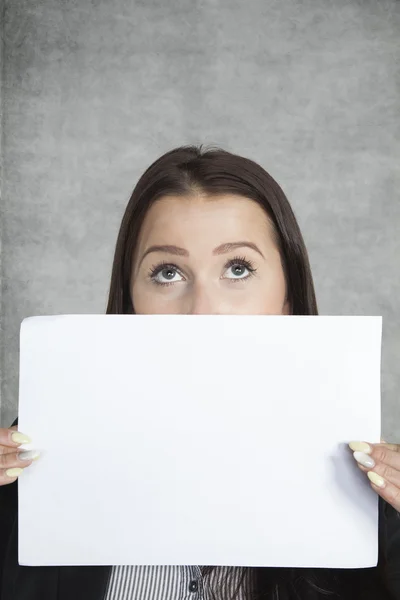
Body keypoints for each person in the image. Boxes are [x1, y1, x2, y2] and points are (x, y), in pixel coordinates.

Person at [0, 145, 399, 600]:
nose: (202, 311)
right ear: (130, 302)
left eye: (237, 268)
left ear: (287, 299)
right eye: (168, 272)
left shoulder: (371, 502)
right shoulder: (31, 475)